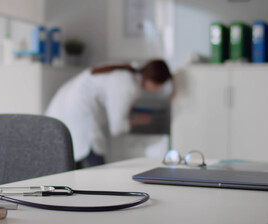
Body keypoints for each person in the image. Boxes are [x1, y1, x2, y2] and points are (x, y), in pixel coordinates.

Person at [45, 59, 174, 169]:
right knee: (94, 163)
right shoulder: (127, 85)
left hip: (67, 105)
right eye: (160, 86)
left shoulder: (127, 75)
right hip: (79, 114)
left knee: (76, 161)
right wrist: (140, 120)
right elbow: (116, 127)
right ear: (154, 81)